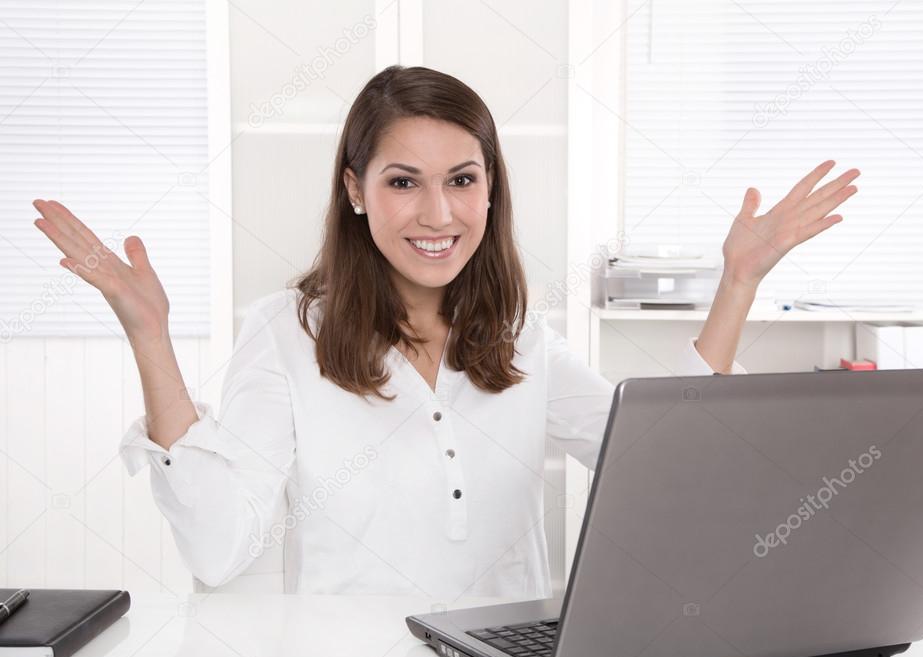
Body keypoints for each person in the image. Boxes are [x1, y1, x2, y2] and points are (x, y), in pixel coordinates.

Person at [30, 65, 858, 600]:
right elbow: (218, 548)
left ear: (490, 187)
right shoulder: (286, 332)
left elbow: (661, 458)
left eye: (461, 179)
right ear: (355, 190)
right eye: (403, 183)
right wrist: (150, 335)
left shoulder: (515, 332)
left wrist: (737, 284)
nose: (438, 215)